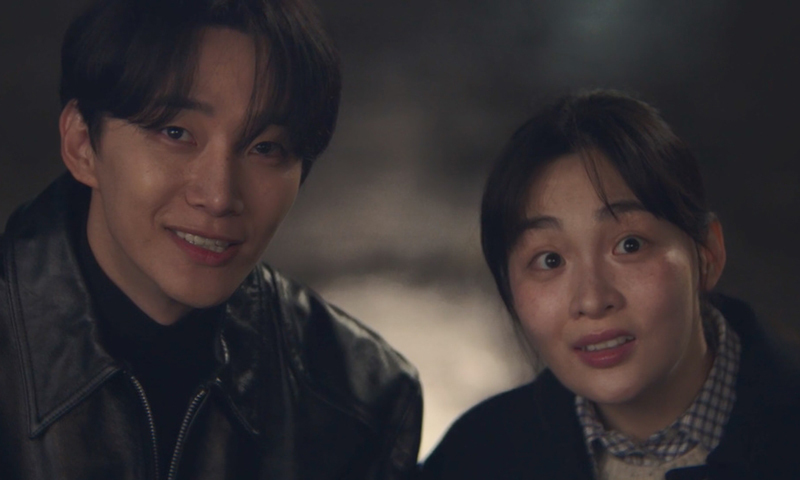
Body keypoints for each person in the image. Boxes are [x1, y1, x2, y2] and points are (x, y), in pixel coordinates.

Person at [0, 0, 422, 478]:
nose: (219, 196)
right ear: (82, 145)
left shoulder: (362, 403)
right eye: (176, 132)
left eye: (265, 147)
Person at [419, 90, 800, 479]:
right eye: (549, 260)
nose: (592, 299)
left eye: (629, 245)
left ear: (707, 255)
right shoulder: (475, 457)